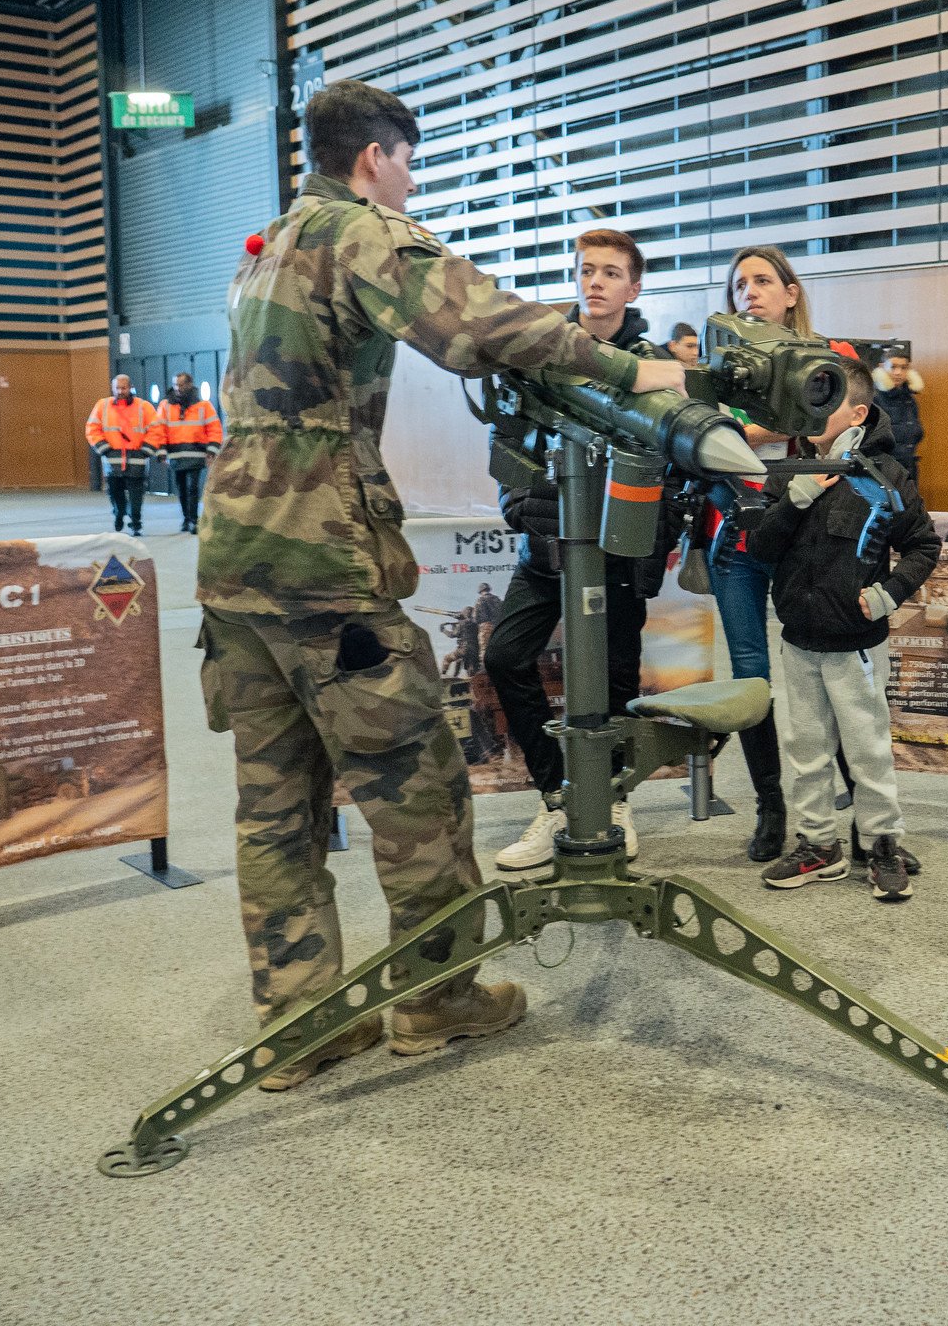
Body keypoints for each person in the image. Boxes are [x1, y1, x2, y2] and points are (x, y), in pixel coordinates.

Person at [195, 81, 685, 1090]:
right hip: (323, 554)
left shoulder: (265, 251)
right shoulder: (360, 230)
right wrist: (632, 373)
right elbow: (474, 321)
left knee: (273, 804)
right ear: (375, 157)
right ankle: (437, 997)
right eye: (408, 163)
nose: (411, 183)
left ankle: (300, 1024)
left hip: (233, 557)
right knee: (413, 791)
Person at [489, 228, 674, 870]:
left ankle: (614, 799)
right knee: (506, 657)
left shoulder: (652, 368)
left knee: (615, 678)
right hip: (546, 549)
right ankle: (556, 798)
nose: (595, 282)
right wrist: (520, 500)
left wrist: (650, 550)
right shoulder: (541, 352)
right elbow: (509, 441)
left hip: (618, 553)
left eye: (610, 272)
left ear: (634, 286)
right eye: (586, 270)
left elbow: (671, 464)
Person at [749, 356, 937, 900]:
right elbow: (760, 547)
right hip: (797, 639)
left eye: (824, 403)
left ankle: (881, 844)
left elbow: (924, 545)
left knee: (868, 749)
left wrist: (888, 594)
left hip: (855, 643)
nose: (812, 414)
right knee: (805, 747)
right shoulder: (787, 473)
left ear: (857, 413)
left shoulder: (887, 475)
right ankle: (818, 846)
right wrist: (791, 503)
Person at [708, 244, 821, 862]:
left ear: (790, 292)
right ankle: (770, 806)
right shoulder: (714, 370)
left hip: (805, 533)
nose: (748, 292)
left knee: (822, 669)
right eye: (738, 284)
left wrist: (736, 431)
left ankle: (833, 804)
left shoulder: (827, 356)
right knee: (752, 675)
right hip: (734, 536)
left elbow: (827, 419)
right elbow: (693, 435)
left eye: (761, 280)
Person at [85, 374, 162, 537]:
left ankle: (136, 523)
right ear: (112, 388)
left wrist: (146, 450)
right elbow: (92, 428)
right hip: (112, 458)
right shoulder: (102, 406)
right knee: (115, 492)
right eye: (117, 388)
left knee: (136, 494)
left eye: (124, 388)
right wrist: (103, 448)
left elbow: (156, 429)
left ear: (130, 387)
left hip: (136, 458)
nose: (120, 391)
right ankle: (119, 513)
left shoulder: (144, 407)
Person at [157, 372, 222, 534]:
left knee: (192, 487)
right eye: (175, 385)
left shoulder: (203, 406)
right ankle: (186, 518)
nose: (177, 388)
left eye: (181, 385)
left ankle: (194, 520)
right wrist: (161, 451)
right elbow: (159, 430)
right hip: (176, 454)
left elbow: (214, 428)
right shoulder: (165, 405)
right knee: (182, 488)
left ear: (190, 385)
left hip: (196, 453)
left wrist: (211, 451)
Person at [873, 348, 926, 488]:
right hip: (884, 470)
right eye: (893, 367)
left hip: (909, 468)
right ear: (882, 367)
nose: (898, 373)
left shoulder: (909, 399)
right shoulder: (874, 399)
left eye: (904, 368)